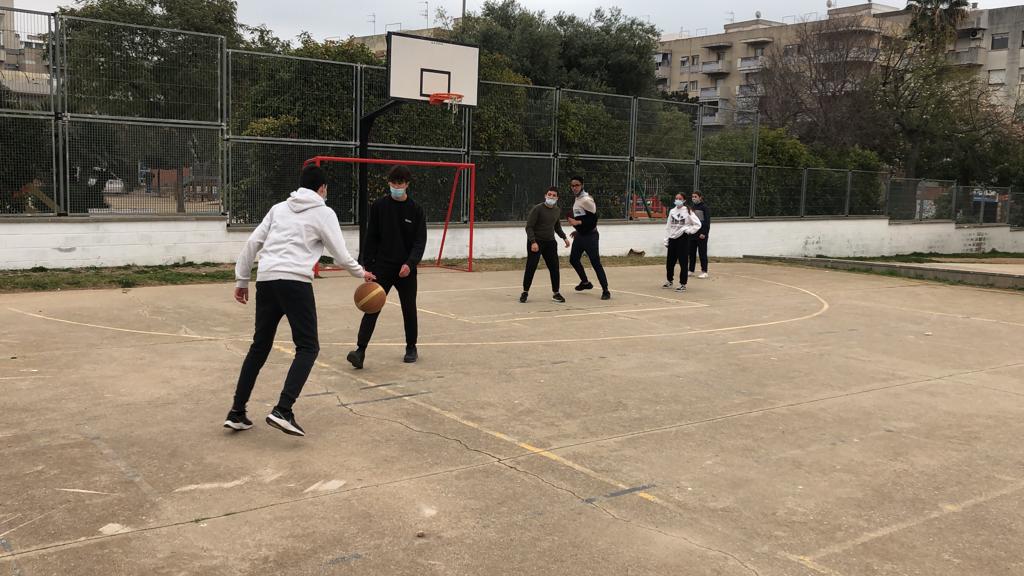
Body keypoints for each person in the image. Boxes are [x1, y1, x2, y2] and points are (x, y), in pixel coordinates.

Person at [227, 165, 375, 437]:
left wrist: (242, 280)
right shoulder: (324, 212)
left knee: (260, 346)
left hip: (267, 280)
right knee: (308, 347)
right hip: (295, 282)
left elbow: (252, 243)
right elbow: (340, 254)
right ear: (322, 188)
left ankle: (237, 412)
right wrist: (361, 273)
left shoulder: (278, 209)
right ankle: (283, 409)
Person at [347, 164, 427, 370]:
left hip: (405, 270)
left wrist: (410, 264)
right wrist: (367, 267)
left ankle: (411, 347)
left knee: (409, 308)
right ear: (389, 183)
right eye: (393, 183)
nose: (396, 187)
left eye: (400, 183)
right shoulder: (379, 206)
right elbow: (371, 237)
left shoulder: (416, 210)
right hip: (382, 267)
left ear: (407, 184)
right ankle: (360, 351)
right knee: (372, 306)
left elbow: (420, 242)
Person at [521, 186, 571, 303]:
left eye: (554, 195)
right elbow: (529, 227)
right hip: (536, 242)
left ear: (557, 198)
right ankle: (525, 292)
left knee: (554, 267)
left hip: (550, 242)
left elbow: (557, 227)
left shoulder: (557, 210)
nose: (551, 197)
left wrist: (564, 238)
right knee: (531, 266)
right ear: (545, 196)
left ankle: (556, 293)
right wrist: (533, 242)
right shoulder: (537, 209)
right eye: (549, 195)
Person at [566, 175, 610, 300]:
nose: (574, 187)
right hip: (581, 235)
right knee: (573, 259)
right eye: (572, 185)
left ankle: (606, 290)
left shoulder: (586, 199)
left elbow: (593, 219)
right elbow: (584, 217)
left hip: (591, 236)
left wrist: (578, 223)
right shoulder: (577, 198)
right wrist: (578, 230)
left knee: (595, 263)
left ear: (582, 185)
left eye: (577, 185)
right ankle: (585, 282)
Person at [663, 193, 701, 292]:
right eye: (676, 198)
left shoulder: (688, 211)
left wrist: (688, 230)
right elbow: (668, 226)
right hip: (672, 238)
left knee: (683, 262)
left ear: (684, 200)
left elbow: (697, 224)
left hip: (683, 239)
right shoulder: (672, 211)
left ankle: (682, 284)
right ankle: (669, 280)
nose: (677, 200)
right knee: (670, 262)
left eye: (680, 199)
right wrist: (666, 239)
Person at [689, 190, 711, 278]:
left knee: (702, 253)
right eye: (692, 197)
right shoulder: (692, 208)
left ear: (700, 197)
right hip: (692, 234)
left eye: (695, 197)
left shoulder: (704, 207)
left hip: (701, 234)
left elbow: (707, 222)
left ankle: (704, 271)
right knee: (691, 253)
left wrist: (704, 233)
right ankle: (691, 270)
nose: (694, 198)